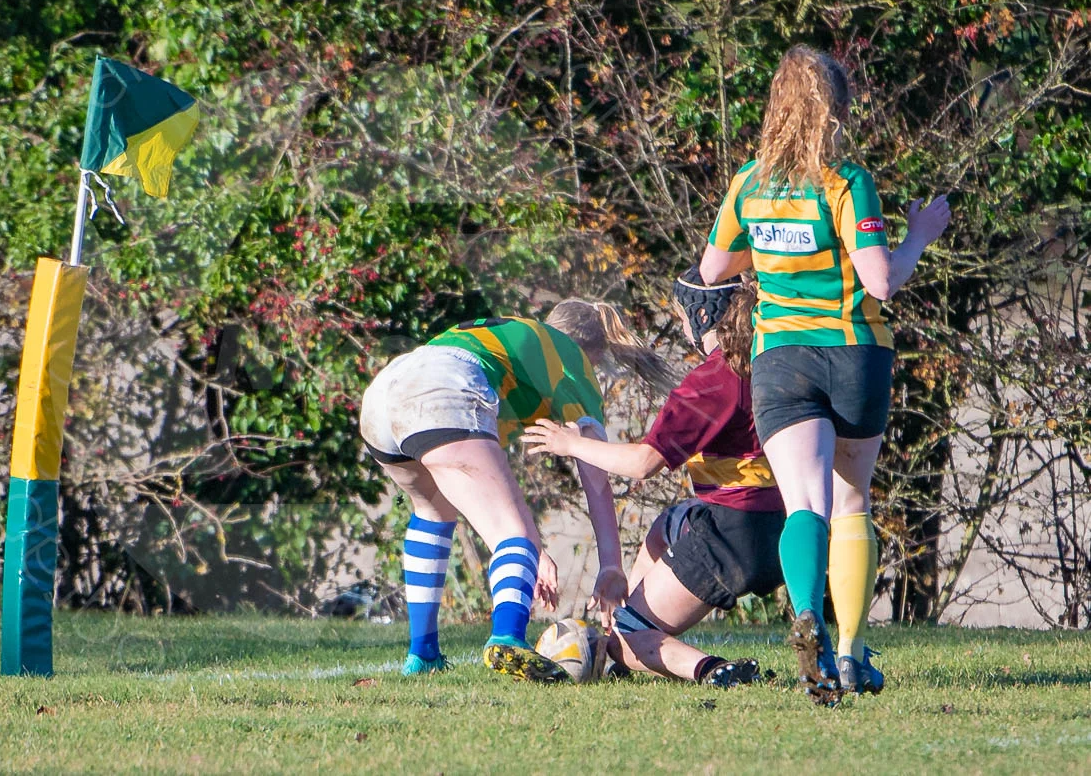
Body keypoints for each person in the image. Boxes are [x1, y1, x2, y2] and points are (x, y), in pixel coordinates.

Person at [698, 45, 950, 703]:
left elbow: (710, 271)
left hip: (780, 356)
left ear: (776, 107)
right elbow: (881, 281)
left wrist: (770, 249)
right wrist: (920, 232)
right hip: (854, 352)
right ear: (834, 111)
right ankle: (847, 654)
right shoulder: (845, 181)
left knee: (804, 502)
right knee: (852, 501)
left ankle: (805, 612)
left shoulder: (749, 184)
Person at [360, 301, 675, 682]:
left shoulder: (517, 342)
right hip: (443, 384)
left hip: (386, 389)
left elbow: (498, 485)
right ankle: (507, 637)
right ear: (595, 350)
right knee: (513, 535)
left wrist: (536, 552)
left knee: (433, 513)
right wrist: (611, 564)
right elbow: (596, 477)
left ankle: (424, 654)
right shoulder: (570, 358)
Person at [523, 270, 779, 688]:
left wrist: (569, 444)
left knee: (625, 641)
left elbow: (643, 462)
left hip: (737, 532)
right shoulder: (770, 362)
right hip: (783, 522)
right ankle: (632, 624)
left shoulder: (713, 380)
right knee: (668, 525)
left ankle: (710, 669)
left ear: (701, 315)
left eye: (681, 318)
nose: (681, 328)